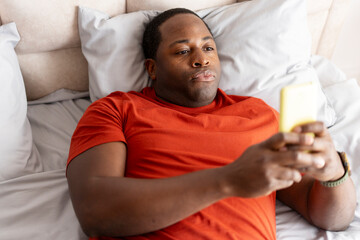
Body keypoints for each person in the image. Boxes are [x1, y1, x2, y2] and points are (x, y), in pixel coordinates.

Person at [66, 8, 356, 240]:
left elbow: (331, 217)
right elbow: (95, 210)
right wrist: (229, 180)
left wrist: (333, 171)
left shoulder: (259, 114)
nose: (200, 60)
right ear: (152, 69)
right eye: (182, 51)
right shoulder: (115, 109)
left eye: (208, 48)